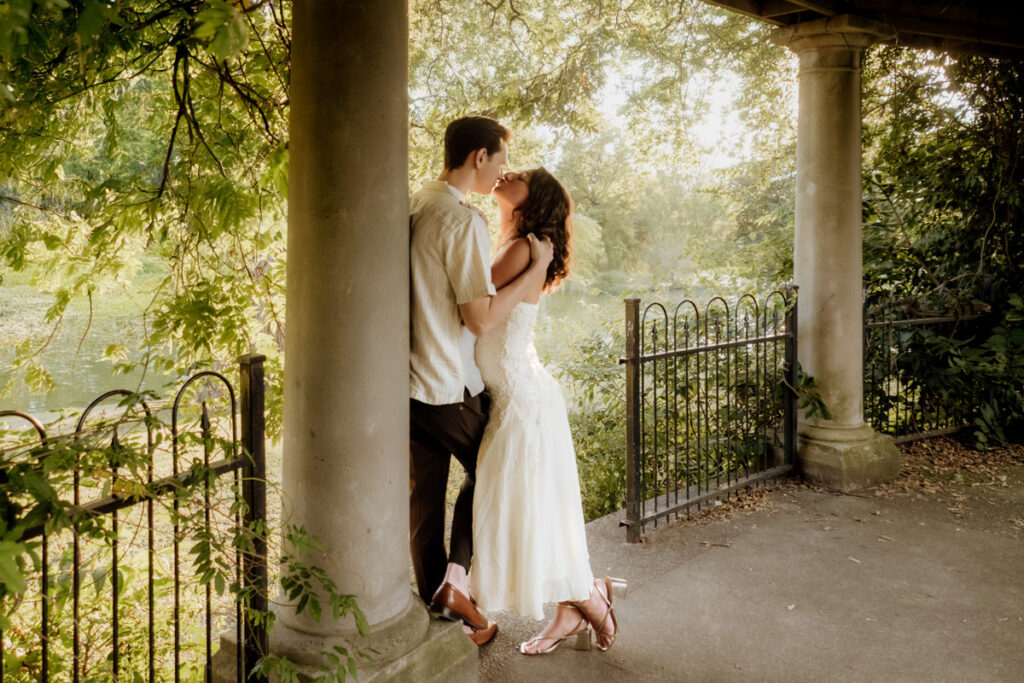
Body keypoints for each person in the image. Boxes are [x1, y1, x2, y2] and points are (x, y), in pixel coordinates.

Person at [409, 116, 555, 647]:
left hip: (408, 383)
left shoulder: (419, 201)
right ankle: (456, 587)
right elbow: (481, 318)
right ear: (479, 157)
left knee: (424, 505)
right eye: (498, 159)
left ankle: (441, 613)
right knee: (493, 471)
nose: (500, 171)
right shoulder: (463, 222)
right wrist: (536, 273)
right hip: (446, 382)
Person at [469, 167, 627, 655]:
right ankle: (582, 600)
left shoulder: (521, 248)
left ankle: (584, 601)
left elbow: (472, 306)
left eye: (517, 175)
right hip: (520, 391)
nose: (505, 174)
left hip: (519, 396)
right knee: (530, 506)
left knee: (515, 504)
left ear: (531, 199)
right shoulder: (523, 245)